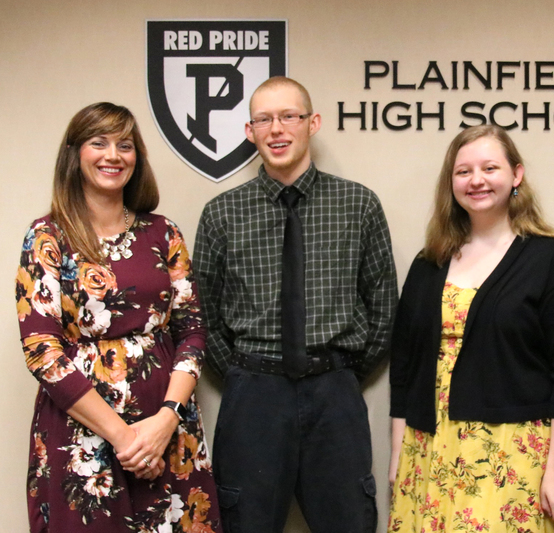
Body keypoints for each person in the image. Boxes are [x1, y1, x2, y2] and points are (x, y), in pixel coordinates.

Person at [193, 76, 397, 532]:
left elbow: (384, 307)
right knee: (245, 521)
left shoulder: (357, 204)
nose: (277, 129)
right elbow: (201, 315)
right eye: (264, 119)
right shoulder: (222, 214)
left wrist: (339, 371)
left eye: (289, 116)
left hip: (334, 394)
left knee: (349, 521)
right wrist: (247, 375)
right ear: (250, 131)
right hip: (253, 396)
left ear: (312, 123)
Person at [15, 102, 220, 532]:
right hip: (83, 435)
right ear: (75, 154)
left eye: (125, 145)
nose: (113, 155)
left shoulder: (164, 233)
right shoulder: (46, 236)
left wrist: (165, 421)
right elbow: (41, 351)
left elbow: (194, 332)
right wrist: (125, 439)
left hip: (167, 430)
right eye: (99, 143)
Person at [388, 125, 554, 533]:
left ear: (516, 175)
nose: (476, 180)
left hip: (515, 455)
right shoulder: (429, 263)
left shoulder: (552, 260)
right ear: (451, 183)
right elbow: (404, 367)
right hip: (429, 449)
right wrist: (399, 454)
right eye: (463, 172)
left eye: (489, 167)